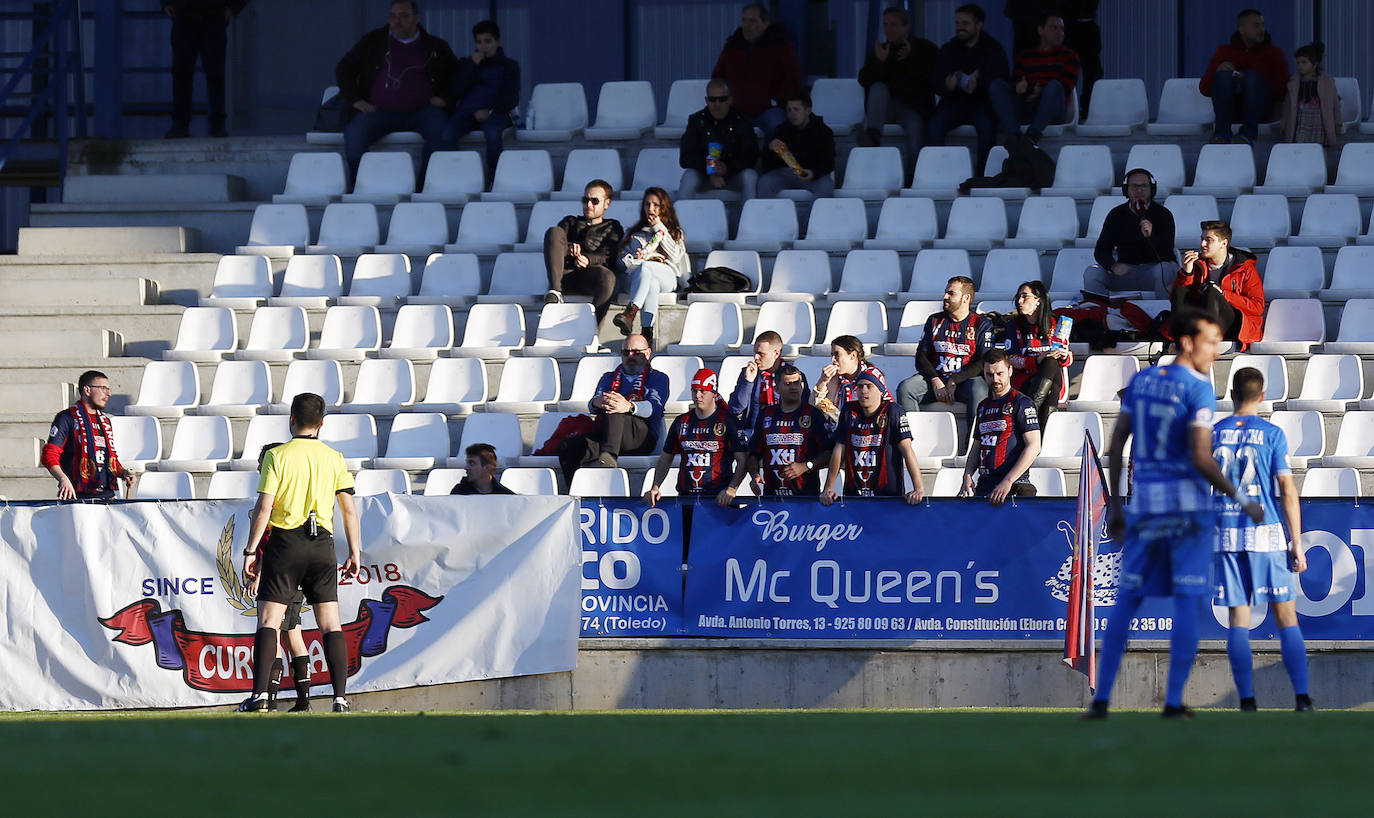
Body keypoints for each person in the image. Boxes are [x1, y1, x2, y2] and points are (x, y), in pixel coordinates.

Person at [1083, 311, 1264, 720]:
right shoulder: (1198, 389)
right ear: (1186, 342)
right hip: (1187, 513)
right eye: (1210, 341)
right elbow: (1201, 455)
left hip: (1145, 508)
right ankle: (1173, 702)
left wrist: (1114, 503)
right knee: (1187, 602)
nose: (1216, 351)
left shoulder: (1143, 383)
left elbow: (1116, 445)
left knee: (1127, 601)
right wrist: (1239, 496)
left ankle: (1101, 700)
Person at [238, 393, 361, 713]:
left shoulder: (277, 456)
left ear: (291, 419)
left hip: (286, 543)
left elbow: (265, 507)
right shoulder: (334, 457)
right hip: (323, 543)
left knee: (269, 620)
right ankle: (339, 698)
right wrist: (355, 551)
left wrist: (251, 552)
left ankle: (260, 696)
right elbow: (349, 510)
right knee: (330, 624)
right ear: (322, 424)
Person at [1211, 367, 1314, 712]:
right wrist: (1296, 542)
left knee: (1238, 619)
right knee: (1286, 616)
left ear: (1232, 394)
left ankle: (1247, 701)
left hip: (1226, 534)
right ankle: (1301, 697)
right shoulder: (1272, 433)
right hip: (1266, 533)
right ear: (1263, 397)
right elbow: (1286, 488)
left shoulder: (1215, 434)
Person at [335, 1, 459, 186]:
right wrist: (355, 99)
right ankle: (360, 187)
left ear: (416, 18)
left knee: (442, 134)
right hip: (378, 111)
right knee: (355, 134)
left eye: (403, 15)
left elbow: (457, 75)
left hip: (422, 111)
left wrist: (446, 98)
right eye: (393, 16)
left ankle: (425, 188)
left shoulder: (435, 46)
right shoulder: (373, 41)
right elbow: (344, 68)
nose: (397, 21)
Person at [247, 443, 311, 713]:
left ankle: (267, 699)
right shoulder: (292, 498)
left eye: (263, 461)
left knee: (271, 629)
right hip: (297, 567)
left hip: (277, 571)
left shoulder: (272, 500)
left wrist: (258, 570)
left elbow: (268, 542)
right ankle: (303, 701)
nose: (260, 467)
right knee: (292, 633)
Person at [557, 334, 670, 482]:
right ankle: (575, 492)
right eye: (626, 352)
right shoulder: (608, 377)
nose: (631, 356)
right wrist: (598, 402)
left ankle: (608, 458)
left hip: (640, 436)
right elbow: (593, 404)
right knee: (569, 446)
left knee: (615, 405)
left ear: (648, 353)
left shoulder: (658, 378)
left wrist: (629, 406)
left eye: (636, 352)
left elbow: (655, 408)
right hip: (608, 434)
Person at [897, 275, 992, 438]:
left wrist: (956, 379)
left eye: (951, 293)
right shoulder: (934, 321)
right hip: (936, 381)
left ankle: (975, 444)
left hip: (964, 382)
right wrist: (935, 380)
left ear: (966, 298)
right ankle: (914, 442)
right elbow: (921, 357)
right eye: (945, 292)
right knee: (906, 388)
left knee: (980, 388)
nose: (945, 297)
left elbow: (984, 360)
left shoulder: (981, 324)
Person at [724, 364, 832, 501]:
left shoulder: (813, 415)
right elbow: (753, 454)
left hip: (805, 498)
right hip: (772, 499)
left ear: (802, 386)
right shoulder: (765, 415)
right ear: (776, 389)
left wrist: (805, 466)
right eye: (787, 384)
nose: (793, 387)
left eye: (796, 383)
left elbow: (829, 453)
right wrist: (755, 475)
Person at [856, 6, 938, 181]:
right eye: (885, 25)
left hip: (913, 107)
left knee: (915, 128)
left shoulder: (925, 48)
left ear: (906, 27)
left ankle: (913, 178)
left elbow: (931, 81)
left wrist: (911, 59)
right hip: (886, 109)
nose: (888, 30)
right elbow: (864, 80)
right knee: (878, 88)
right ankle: (873, 139)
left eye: (893, 25)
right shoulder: (881, 51)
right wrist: (880, 62)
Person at [820, 370, 925, 504]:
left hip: (888, 497)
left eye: (869, 386)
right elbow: (839, 450)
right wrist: (828, 488)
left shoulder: (893, 411)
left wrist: (919, 488)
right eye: (860, 386)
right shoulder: (849, 410)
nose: (863, 390)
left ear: (881, 391)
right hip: (854, 497)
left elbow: (907, 450)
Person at [646, 369, 747, 505]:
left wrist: (732, 488)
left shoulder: (728, 421)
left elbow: (743, 460)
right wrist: (655, 487)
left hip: (719, 500)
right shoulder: (681, 422)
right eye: (694, 391)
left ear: (713, 393)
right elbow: (665, 459)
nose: (698, 395)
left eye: (703, 391)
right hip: (686, 499)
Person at [928, 3, 1010, 172]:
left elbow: (1002, 80)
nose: (960, 28)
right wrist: (947, 86)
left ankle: (983, 176)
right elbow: (936, 82)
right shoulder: (948, 49)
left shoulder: (993, 49)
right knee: (934, 124)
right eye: (957, 23)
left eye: (965, 23)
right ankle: (936, 172)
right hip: (953, 102)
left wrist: (979, 86)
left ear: (978, 25)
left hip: (983, 103)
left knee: (987, 127)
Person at [42, 370, 138, 501]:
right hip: (77, 497)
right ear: (87, 390)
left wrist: (123, 473)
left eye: (108, 389)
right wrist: (63, 479)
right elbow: (49, 455)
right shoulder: (66, 418)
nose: (108, 394)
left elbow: (109, 459)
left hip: (107, 497)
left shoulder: (105, 421)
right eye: (103, 388)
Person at [959, 349, 1040, 505]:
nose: (995, 379)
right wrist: (968, 474)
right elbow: (977, 446)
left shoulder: (1022, 402)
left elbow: (1035, 446)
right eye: (989, 374)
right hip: (986, 484)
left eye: (999, 373)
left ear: (1010, 370)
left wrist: (1008, 481)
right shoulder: (983, 406)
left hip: (1015, 484)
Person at [710, 3, 802, 138]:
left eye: (752, 21)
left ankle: (773, 159)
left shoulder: (780, 47)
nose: (747, 26)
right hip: (737, 109)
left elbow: (793, 78)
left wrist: (778, 100)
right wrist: (727, 100)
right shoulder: (732, 48)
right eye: (744, 20)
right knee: (721, 133)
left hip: (769, 110)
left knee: (780, 131)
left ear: (765, 24)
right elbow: (718, 77)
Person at [612, 188, 689, 347]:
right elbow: (620, 262)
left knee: (648, 268)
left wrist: (659, 228)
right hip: (637, 276)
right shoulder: (634, 233)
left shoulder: (674, 232)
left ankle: (630, 313)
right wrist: (633, 258)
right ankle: (647, 333)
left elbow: (675, 256)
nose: (651, 209)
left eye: (656, 205)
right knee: (650, 281)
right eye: (647, 204)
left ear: (664, 208)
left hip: (666, 274)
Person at [1083, 169, 1176, 300]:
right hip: (1125, 272)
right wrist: (1113, 266)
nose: (1139, 190)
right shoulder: (1116, 214)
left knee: (1166, 269)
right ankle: (1100, 312)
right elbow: (1101, 250)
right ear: (1126, 189)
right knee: (1092, 272)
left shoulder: (1163, 214)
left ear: (1152, 189)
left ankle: (1164, 313)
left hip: (1153, 271)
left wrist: (1151, 235)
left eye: (1144, 186)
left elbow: (1167, 253)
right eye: (1134, 186)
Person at [441, 19, 520, 176]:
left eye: (488, 41)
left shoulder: (509, 66)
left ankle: (495, 179)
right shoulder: (467, 64)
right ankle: (455, 176)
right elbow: (456, 90)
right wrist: (471, 66)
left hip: (497, 113)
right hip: (468, 113)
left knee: (492, 133)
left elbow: (511, 97)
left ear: (498, 42)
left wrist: (490, 111)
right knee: (447, 135)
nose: (483, 46)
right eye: (479, 42)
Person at [1171, 219, 1265, 350]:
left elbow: (1258, 307)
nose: (1202, 244)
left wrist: (1224, 294)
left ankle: (1206, 342)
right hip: (1203, 319)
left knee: (1211, 292)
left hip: (1233, 325)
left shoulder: (1245, 268)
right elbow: (1177, 299)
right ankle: (1181, 342)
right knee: (1181, 291)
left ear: (1223, 243)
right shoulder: (1198, 264)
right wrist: (1187, 273)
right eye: (1202, 239)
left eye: (1208, 239)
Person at [1199, 8, 1289, 145]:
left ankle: (1247, 135)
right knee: (1223, 75)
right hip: (1231, 109)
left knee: (1252, 77)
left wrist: (1253, 81)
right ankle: (1221, 135)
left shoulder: (1274, 53)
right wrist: (1217, 71)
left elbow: (1284, 88)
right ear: (1242, 29)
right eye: (1256, 25)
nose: (1262, 30)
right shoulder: (1225, 51)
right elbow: (1204, 88)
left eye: (1262, 25)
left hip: (1261, 109)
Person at [988, 13, 1079, 146]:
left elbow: (1065, 87)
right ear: (1040, 30)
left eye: (1062, 29)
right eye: (1054, 28)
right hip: (1027, 105)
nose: (1059, 33)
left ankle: (1032, 137)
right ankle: (1015, 135)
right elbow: (1015, 82)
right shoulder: (1026, 57)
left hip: (1053, 110)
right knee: (996, 86)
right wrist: (1019, 87)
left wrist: (1041, 92)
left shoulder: (1070, 57)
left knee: (1054, 86)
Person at [543, 179, 624, 324]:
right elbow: (554, 244)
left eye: (595, 201)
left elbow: (609, 254)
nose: (589, 205)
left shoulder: (613, 227)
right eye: (585, 200)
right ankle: (555, 293)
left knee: (608, 277)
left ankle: (591, 329)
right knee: (554, 231)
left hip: (592, 278)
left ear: (607, 204)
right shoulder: (570, 222)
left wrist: (588, 259)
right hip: (564, 277)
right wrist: (569, 248)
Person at [162, 0, 247, 138]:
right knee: (184, 72)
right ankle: (188, 124)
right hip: (190, 15)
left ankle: (210, 124)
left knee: (212, 73)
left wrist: (233, 7)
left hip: (210, 15)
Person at [997, 280, 1070, 425]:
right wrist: (1037, 359)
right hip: (1024, 380)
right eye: (1018, 296)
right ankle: (1040, 432)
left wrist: (1064, 356)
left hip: (1050, 376)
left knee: (1051, 362)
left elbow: (1067, 359)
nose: (1019, 300)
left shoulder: (1057, 324)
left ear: (1038, 300)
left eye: (1025, 296)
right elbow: (1011, 359)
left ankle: (1029, 414)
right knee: (1051, 388)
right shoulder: (1013, 326)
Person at [678, 79, 760, 201]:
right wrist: (710, 170)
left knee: (750, 176)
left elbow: (751, 154)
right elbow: (686, 156)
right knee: (688, 178)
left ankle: (749, 219)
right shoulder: (696, 121)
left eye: (722, 99)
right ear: (706, 100)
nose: (717, 104)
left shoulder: (742, 120)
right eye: (712, 99)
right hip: (704, 175)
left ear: (730, 100)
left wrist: (727, 168)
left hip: (733, 175)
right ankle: (681, 219)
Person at [757, 93, 836, 199]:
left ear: (808, 111)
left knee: (826, 186)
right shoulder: (781, 130)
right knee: (765, 183)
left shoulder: (823, 131)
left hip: (812, 174)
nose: (792, 114)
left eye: (796, 109)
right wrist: (770, 150)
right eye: (789, 110)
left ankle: (813, 216)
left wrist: (813, 173)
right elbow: (768, 165)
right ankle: (768, 215)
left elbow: (829, 162)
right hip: (785, 173)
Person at [813, 335, 888, 424]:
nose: (833, 359)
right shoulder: (834, 378)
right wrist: (823, 381)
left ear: (853, 355)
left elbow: (885, 408)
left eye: (837, 354)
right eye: (832, 355)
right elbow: (817, 406)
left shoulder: (871, 377)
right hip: (840, 430)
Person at [1279, 42, 1341, 147]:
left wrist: (1337, 122)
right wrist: (1284, 124)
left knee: (1318, 146)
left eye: (1304, 62)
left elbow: (1334, 103)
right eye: (1298, 62)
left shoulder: (1327, 83)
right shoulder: (1293, 84)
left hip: (1319, 122)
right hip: (1301, 121)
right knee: (1300, 143)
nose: (1300, 66)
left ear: (1314, 64)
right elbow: (1287, 106)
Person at [728, 331, 784, 431]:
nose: (755, 357)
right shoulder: (748, 373)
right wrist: (748, 382)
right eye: (755, 353)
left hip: (783, 432)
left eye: (760, 354)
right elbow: (736, 408)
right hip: (753, 433)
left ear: (776, 353)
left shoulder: (792, 375)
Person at [450, 443, 516, 495]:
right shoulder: (458, 493)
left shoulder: (505, 496)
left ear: (487, 468)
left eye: (472, 463)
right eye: (467, 463)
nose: (466, 468)